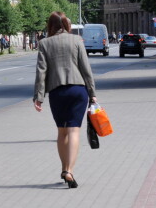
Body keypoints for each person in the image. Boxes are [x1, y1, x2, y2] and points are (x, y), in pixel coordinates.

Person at [33, 11, 97, 189]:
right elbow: (86, 69)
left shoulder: (44, 43)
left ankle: (64, 169)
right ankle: (69, 171)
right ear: (67, 25)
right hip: (78, 91)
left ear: (50, 26)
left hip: (57, 92)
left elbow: (41, 72)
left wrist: (38, 97)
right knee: (74, 131)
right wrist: (92, 93)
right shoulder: (76, 40)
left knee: (62, 132)